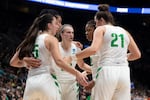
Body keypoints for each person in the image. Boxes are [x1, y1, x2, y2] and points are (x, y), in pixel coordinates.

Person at [66, 4, 141, 100]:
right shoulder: (124, 31)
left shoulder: (101, 29)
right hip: (124, 72)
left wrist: (71, 57)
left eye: (96, 22)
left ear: (101, 20)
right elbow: (137, 54)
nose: (96, 25)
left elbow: (93, 49)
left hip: (107, 70)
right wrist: (119, 56)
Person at [9, 13, 88, 100]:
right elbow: (59, 61)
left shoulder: (31, 39)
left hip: (31, 83)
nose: (59, 26)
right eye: (56, 23)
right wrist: (77, 73)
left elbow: (13, 62)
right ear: (49, 25)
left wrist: (24, 63)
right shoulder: (51, 39)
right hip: (47, 81)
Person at [53, 24, 91, 100]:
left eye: (72, 33)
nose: (71, 35)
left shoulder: (76, 48)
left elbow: (82, 65)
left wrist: (95, 69)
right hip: (56, 82)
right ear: (62, 34)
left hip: (71, 83)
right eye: (68, 32)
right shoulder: (55, 47)